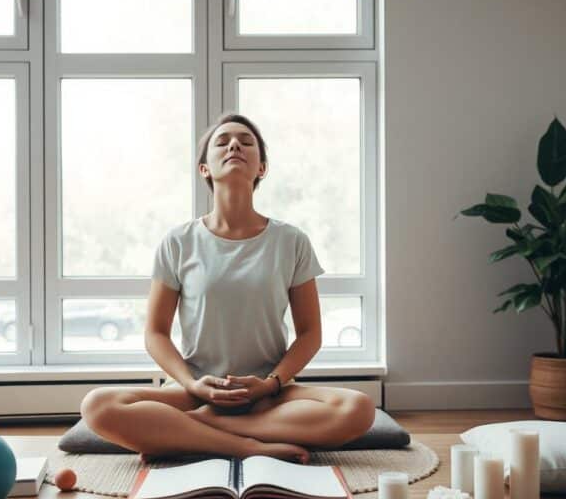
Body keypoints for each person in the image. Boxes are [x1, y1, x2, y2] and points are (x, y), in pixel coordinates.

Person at [80, 113, 375, 464]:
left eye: (246, 141)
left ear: (261, 168)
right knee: (97, 406)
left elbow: (310, 333)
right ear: (204, 169)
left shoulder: (291, 240)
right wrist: (192, 385)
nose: (235, 144)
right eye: (222, 141)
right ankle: (248, 446)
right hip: (198, 390)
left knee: (358, 408)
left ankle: (190, 432)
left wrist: (271, 384)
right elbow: (155, 333)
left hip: (270, 393)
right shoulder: (178, 242)